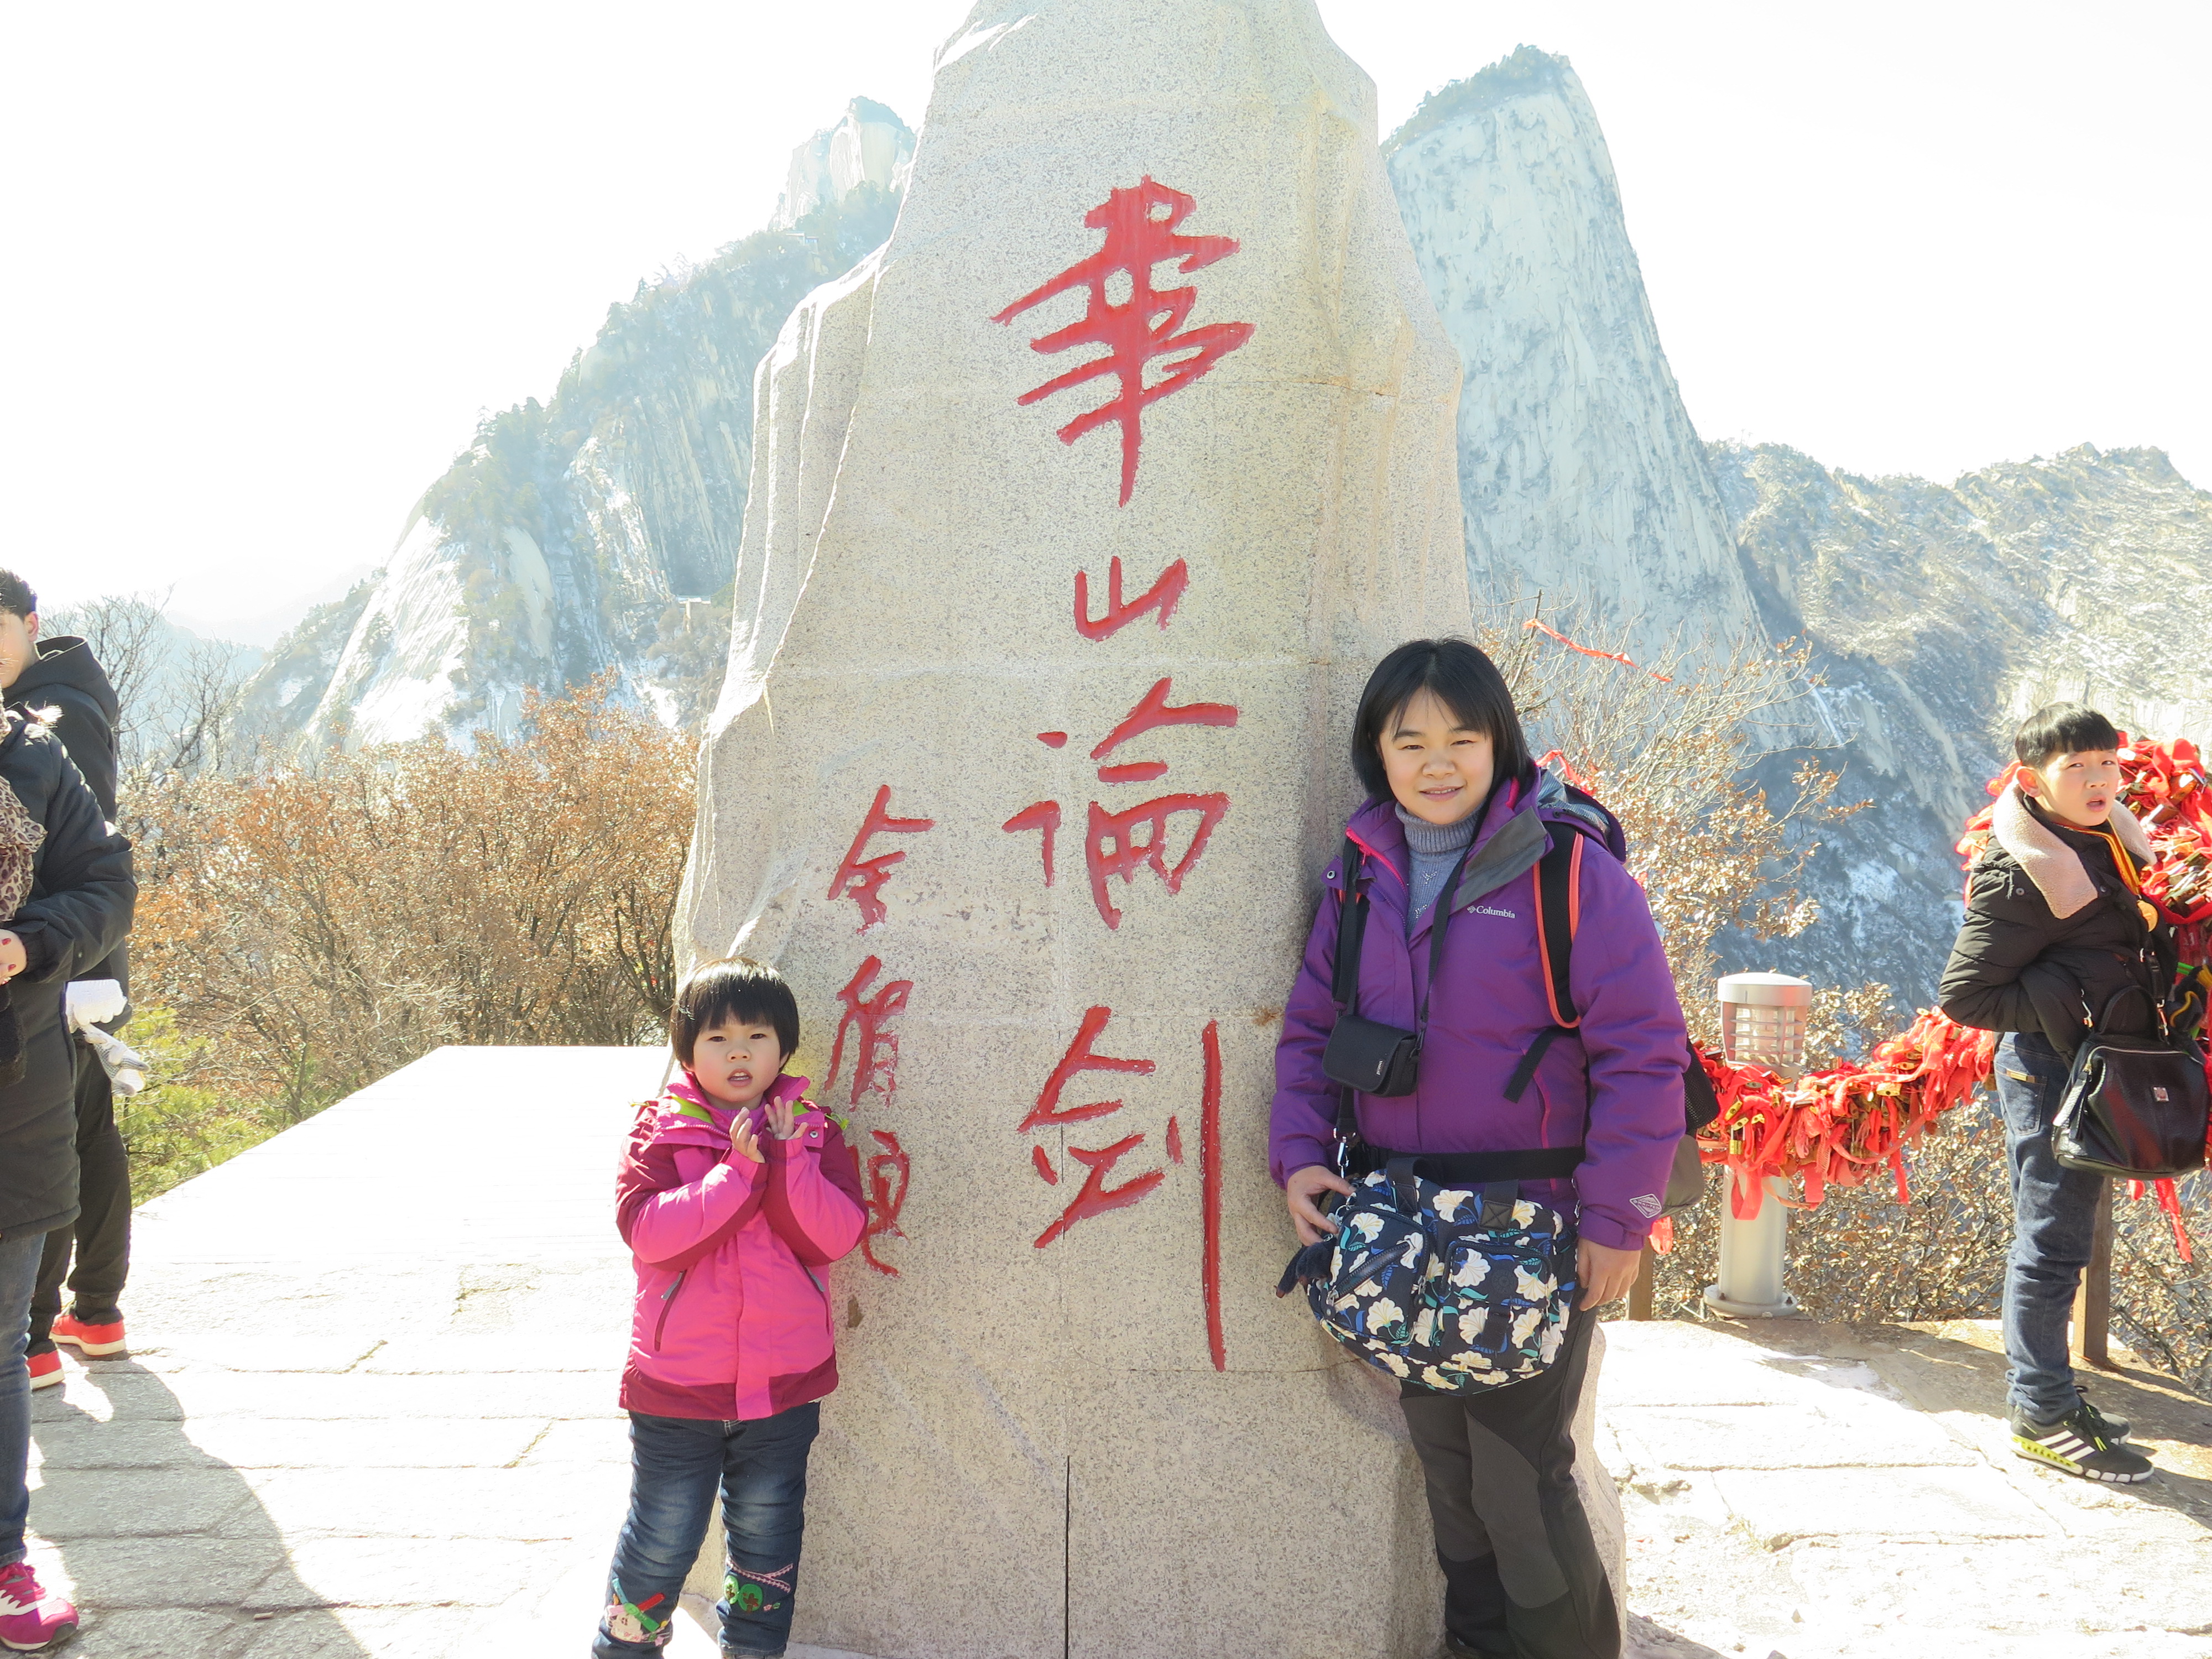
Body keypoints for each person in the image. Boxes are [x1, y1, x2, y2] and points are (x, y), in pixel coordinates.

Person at [1269, 638, 1688, 1659]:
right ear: (1378, 752)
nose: (1438, 761)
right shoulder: (1360, 876)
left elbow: (1644, 1053)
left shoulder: (1569, 874)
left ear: (1499, 743)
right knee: (1448, 1467)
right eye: (1410, 741)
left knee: (1518, 1474)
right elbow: (1312, 1031)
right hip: (1403, 1222)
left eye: (1463, 736)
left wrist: (1617, 1218)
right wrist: (1298, 1155)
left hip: (1529, 1223)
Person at [596, 957, 867, 1658]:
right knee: (661, 1536)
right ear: (687, 1049)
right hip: (678, 1388)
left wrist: (785, 1162)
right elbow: (651, 1237)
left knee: (767, 1543)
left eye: (758, 1035)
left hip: (784, 1383)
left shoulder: (814, 1130)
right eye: (717, 1038)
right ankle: (624, 1649)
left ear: (785, 1047)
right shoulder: (659, 1130)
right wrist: (736, 1173)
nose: (740, 1052)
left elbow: (833, 1236)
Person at [1940, 703, 2162, 1484]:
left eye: (2108, 762)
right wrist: (2067, 1001)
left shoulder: (2103, 837)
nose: (2101, 779)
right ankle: (2041, 1413)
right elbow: (1964, 998)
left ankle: (2054, 1398)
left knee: (2059, 1238)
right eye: (2079, 767)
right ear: (2035, 779)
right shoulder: (2021, 869)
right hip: (2050, 1072)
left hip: (2088, 1066)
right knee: (2052, 1243)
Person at [0, 697, 135, 1651]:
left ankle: (5, 1562)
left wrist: (28, 941)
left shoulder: (35, 761)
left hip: (14, 1094)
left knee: (0, 1340)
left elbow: (104, 884)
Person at [0, 570, 134, 1391]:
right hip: (69, 963)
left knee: (72, 1131)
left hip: (63, 970)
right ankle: (86, 1313)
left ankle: (53, 1320)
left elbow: (88, 866)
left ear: (30, 623)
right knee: (87, 1128)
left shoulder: (50, 721)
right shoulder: (65, 697)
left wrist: (32, 943)